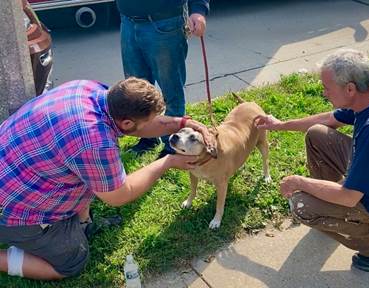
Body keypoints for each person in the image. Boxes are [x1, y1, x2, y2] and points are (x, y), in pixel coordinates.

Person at [0, 77, 214, 280]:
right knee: (72, 262)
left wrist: (182, 122)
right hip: (13, 210)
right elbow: (119, 195)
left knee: (92, 175)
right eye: (150, 120)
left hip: (15, 170)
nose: (155, 123)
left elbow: (141, 125)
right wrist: (167, 162)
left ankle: (83, 223)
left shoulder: (88, 89)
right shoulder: (95, 142)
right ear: (128, 123)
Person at [255, 49, 369, 272]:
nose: (324, 93)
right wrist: (280, 124)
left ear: (350, 88)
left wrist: (300, 182)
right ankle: (332, 209)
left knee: (302, 206)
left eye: (327, 87)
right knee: (318, 134)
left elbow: (349, 196)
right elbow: (329, 119)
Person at [115, 0, 210, 157]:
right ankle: (148, 137)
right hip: (128, 21)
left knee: (171, 90)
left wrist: (198, 10)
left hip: (165, 22)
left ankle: (172, 146)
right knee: (135, 91)